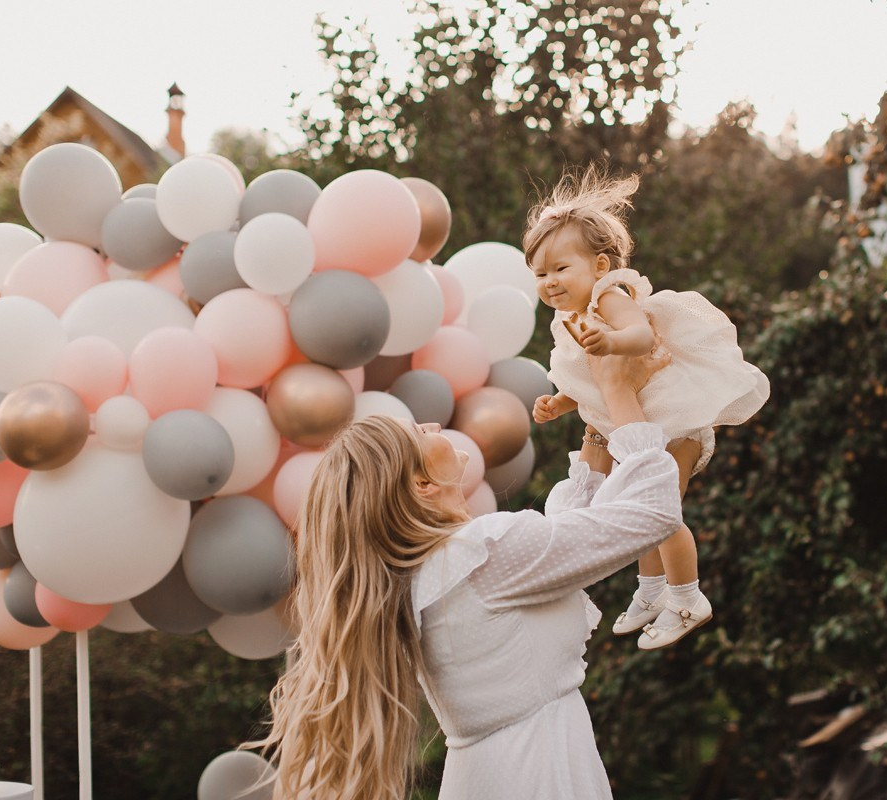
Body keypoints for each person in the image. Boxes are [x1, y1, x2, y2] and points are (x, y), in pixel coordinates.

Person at [248, 352, 684, 799]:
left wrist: (596, 421)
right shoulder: (480, 554)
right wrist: (618, 390)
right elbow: (653, 511)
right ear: (421, 485)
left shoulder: (436, 570)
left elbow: (565, 538)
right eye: (419, 432)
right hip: (537, 774)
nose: (434, 426)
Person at [524, 165, 770, 649]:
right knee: (640, 510)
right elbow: (587, 378)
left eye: (560, 268)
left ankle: (687, 596)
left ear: (598, 266)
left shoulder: (609, 297)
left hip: (672, 424)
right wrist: (560, 401)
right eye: (539, 273)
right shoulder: (569, 320)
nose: (550, 281)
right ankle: (651, 589)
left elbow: (637, 337)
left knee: (661, 512)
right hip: (637, 426)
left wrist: (612, 338)